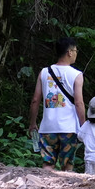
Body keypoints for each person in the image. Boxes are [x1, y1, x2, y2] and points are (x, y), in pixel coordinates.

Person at [28, 37, 86, 171]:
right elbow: (79, 103)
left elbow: (35, 100)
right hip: (69, 129)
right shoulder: (76, 75)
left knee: (48, 164)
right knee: (67, 165)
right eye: (76, 51)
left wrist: (32, 123)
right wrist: (83, 125)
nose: (76, 54)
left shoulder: (44, 72)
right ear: (69, 52)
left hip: (47, 128)